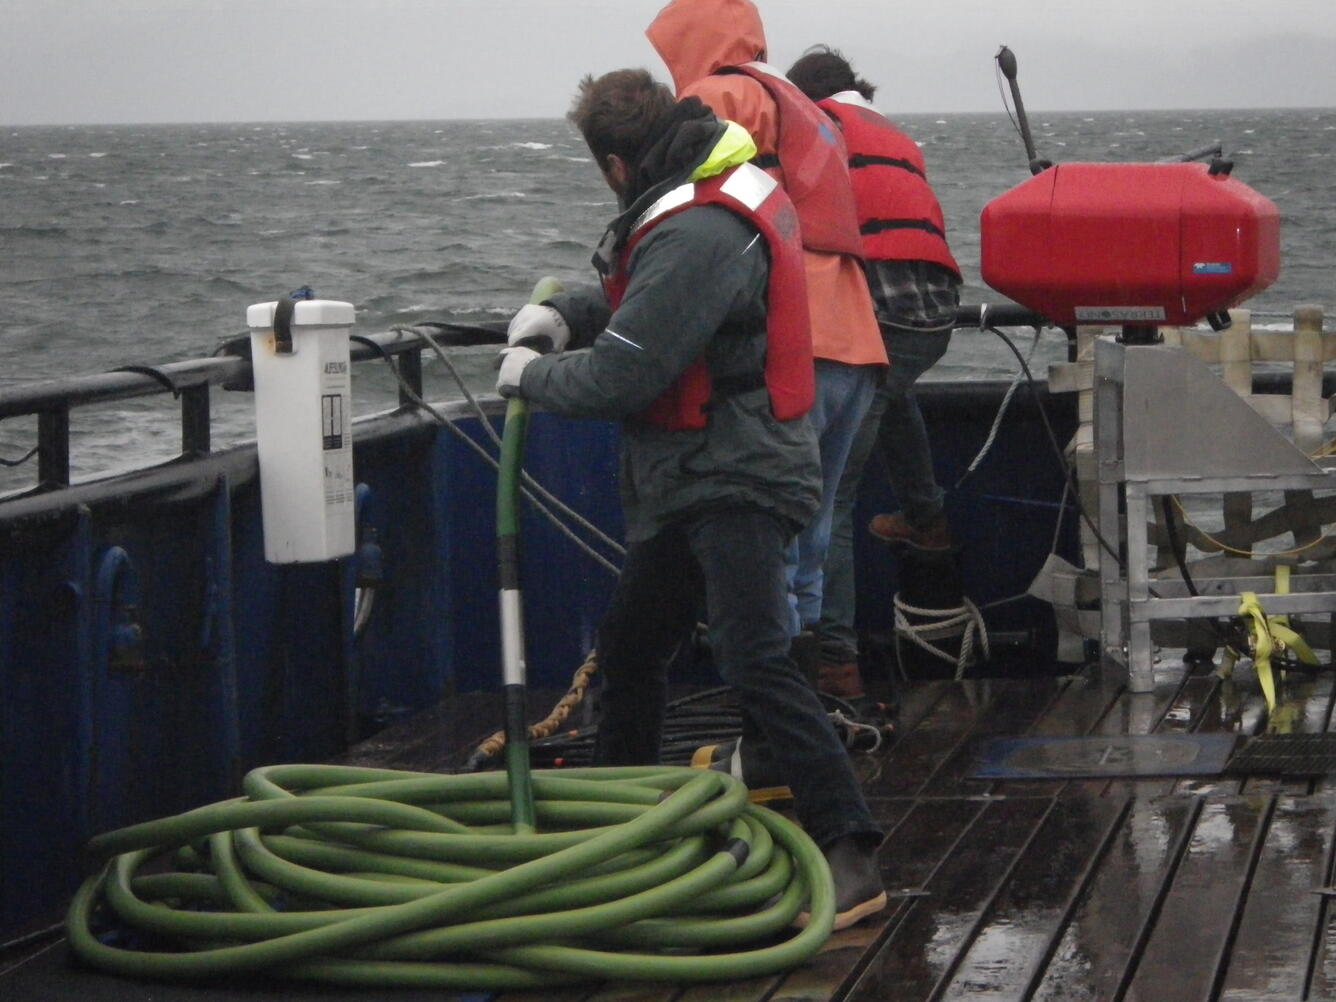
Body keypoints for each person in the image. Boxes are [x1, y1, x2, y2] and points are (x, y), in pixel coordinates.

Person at [495, 68, 886, 929]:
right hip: (696, 476)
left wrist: (532, 373)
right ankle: (624, 834)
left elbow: (629, 371)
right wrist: (572, 309)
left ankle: (851, 849)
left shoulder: (701, 227)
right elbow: (662, 310)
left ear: (613, 166)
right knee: (633, 651)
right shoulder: (706, 194)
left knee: (756, 657)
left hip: (736, 475)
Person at [645, 0, 887, 647]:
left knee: (766, 547)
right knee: (813, 536)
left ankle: (774, 726)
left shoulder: (717, 94)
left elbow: (688, 218)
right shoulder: (798, 100)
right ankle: (812, 702)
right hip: (857, 342)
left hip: (796, 346)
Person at [786, 46, 963, 701]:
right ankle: (927, 517)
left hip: (879, 320)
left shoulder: (812, 129)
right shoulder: (894, 134)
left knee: (829, 499)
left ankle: (834, 664)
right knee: (890, 394)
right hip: (934, 317)